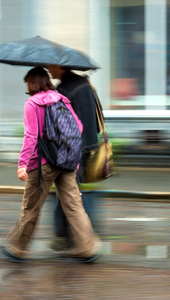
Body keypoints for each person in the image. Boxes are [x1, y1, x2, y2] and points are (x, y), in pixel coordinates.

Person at [0, 66, 101, 263]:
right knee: (74, 206)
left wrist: (23, 164)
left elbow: (31, 136)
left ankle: (17, 248)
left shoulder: (32, 104)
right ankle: (88, 248)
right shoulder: (62, 99)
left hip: (43, 164)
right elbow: (77, 127)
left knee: (31, 207)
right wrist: (72, 157)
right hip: (67, 162)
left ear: (31, 83)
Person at [47, 65, 102, 250]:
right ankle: (67, 236)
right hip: (88, 145)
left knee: (68, 193)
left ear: (60, 66)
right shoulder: (85, 84)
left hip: (72, 149)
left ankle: (75, 239)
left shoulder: (63, 90)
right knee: (69, 191)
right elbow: (98, 113)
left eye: (50, 67)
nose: (48, 70)